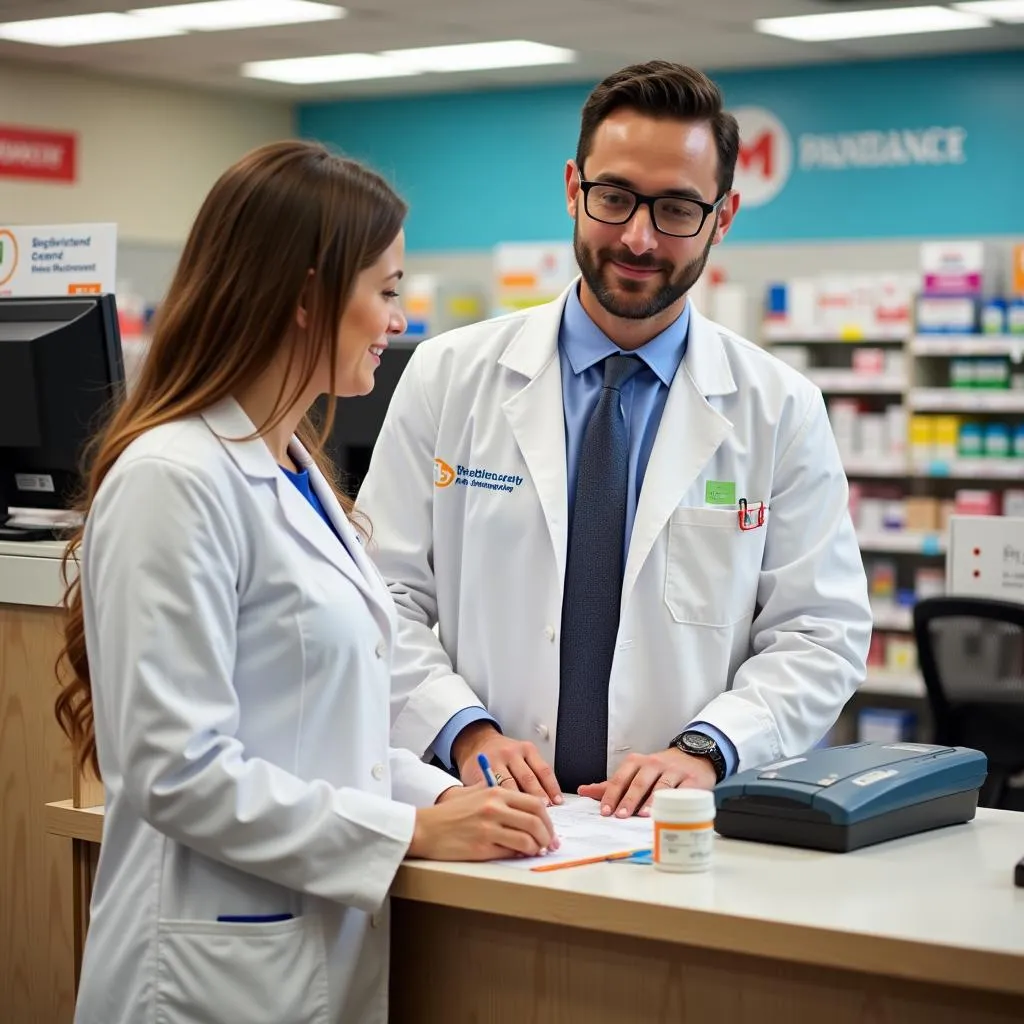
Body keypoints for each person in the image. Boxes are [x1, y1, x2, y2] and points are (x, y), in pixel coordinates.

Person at [53, 140, 555, 1024]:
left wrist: (445, 793)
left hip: (302, 948)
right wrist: (412, 833)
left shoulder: (291, 467)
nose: (400, 320)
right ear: (302, 295)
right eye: (387, 289)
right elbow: (174, 771)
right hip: (205, 971)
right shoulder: (174, 476)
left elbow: (324, 735)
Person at [355, 61, 872, 820]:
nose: (638, 237)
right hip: (484, 809)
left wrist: (708, 748)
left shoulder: (780, 408)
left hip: (680, 829)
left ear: (721, 219)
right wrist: (462, 729)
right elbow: (380, 595)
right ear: (573, 187)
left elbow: (821, 632)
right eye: (615, 198)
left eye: (676, 210)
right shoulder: (449, 375)